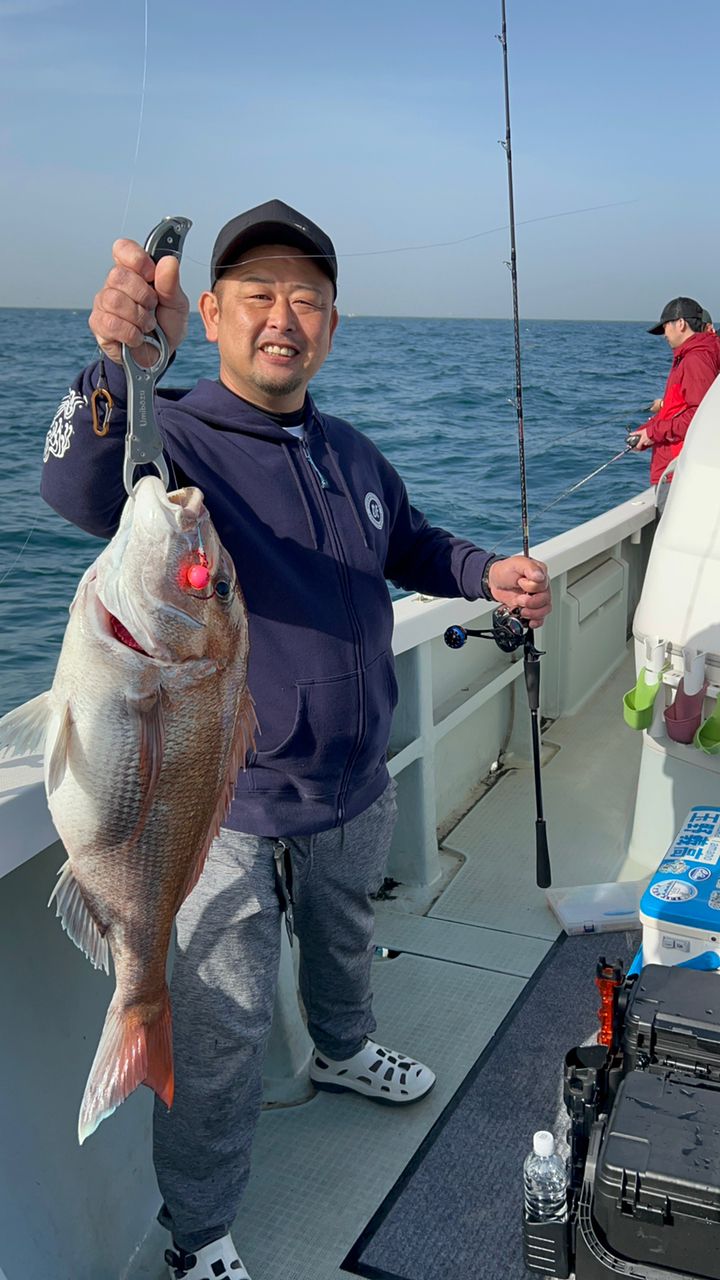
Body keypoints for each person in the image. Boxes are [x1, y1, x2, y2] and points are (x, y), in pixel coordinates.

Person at [40, 199, 552, 1280]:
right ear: (215, 314)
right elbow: (78, 486)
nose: (286, 316)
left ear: (332, 326)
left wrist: (479, 571)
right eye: (260, 296)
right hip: (221, 805)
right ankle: (199, 1232)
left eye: (308, 299)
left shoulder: (353, 451)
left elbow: (405, 539)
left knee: (345, 941)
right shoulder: (171, 436)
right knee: (218, 1037)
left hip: (353, 780)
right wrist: (122, 363)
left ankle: (345, 1045)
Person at [629, 296, 720, 486]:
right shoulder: (689, 356)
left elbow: (699, 417)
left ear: (681, 324)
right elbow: (676, 409)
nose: (664, 334)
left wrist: (652, 433)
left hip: (679, 473)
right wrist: (645, 433)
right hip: (674, 470)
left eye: (665, 326)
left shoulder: (696, 359)